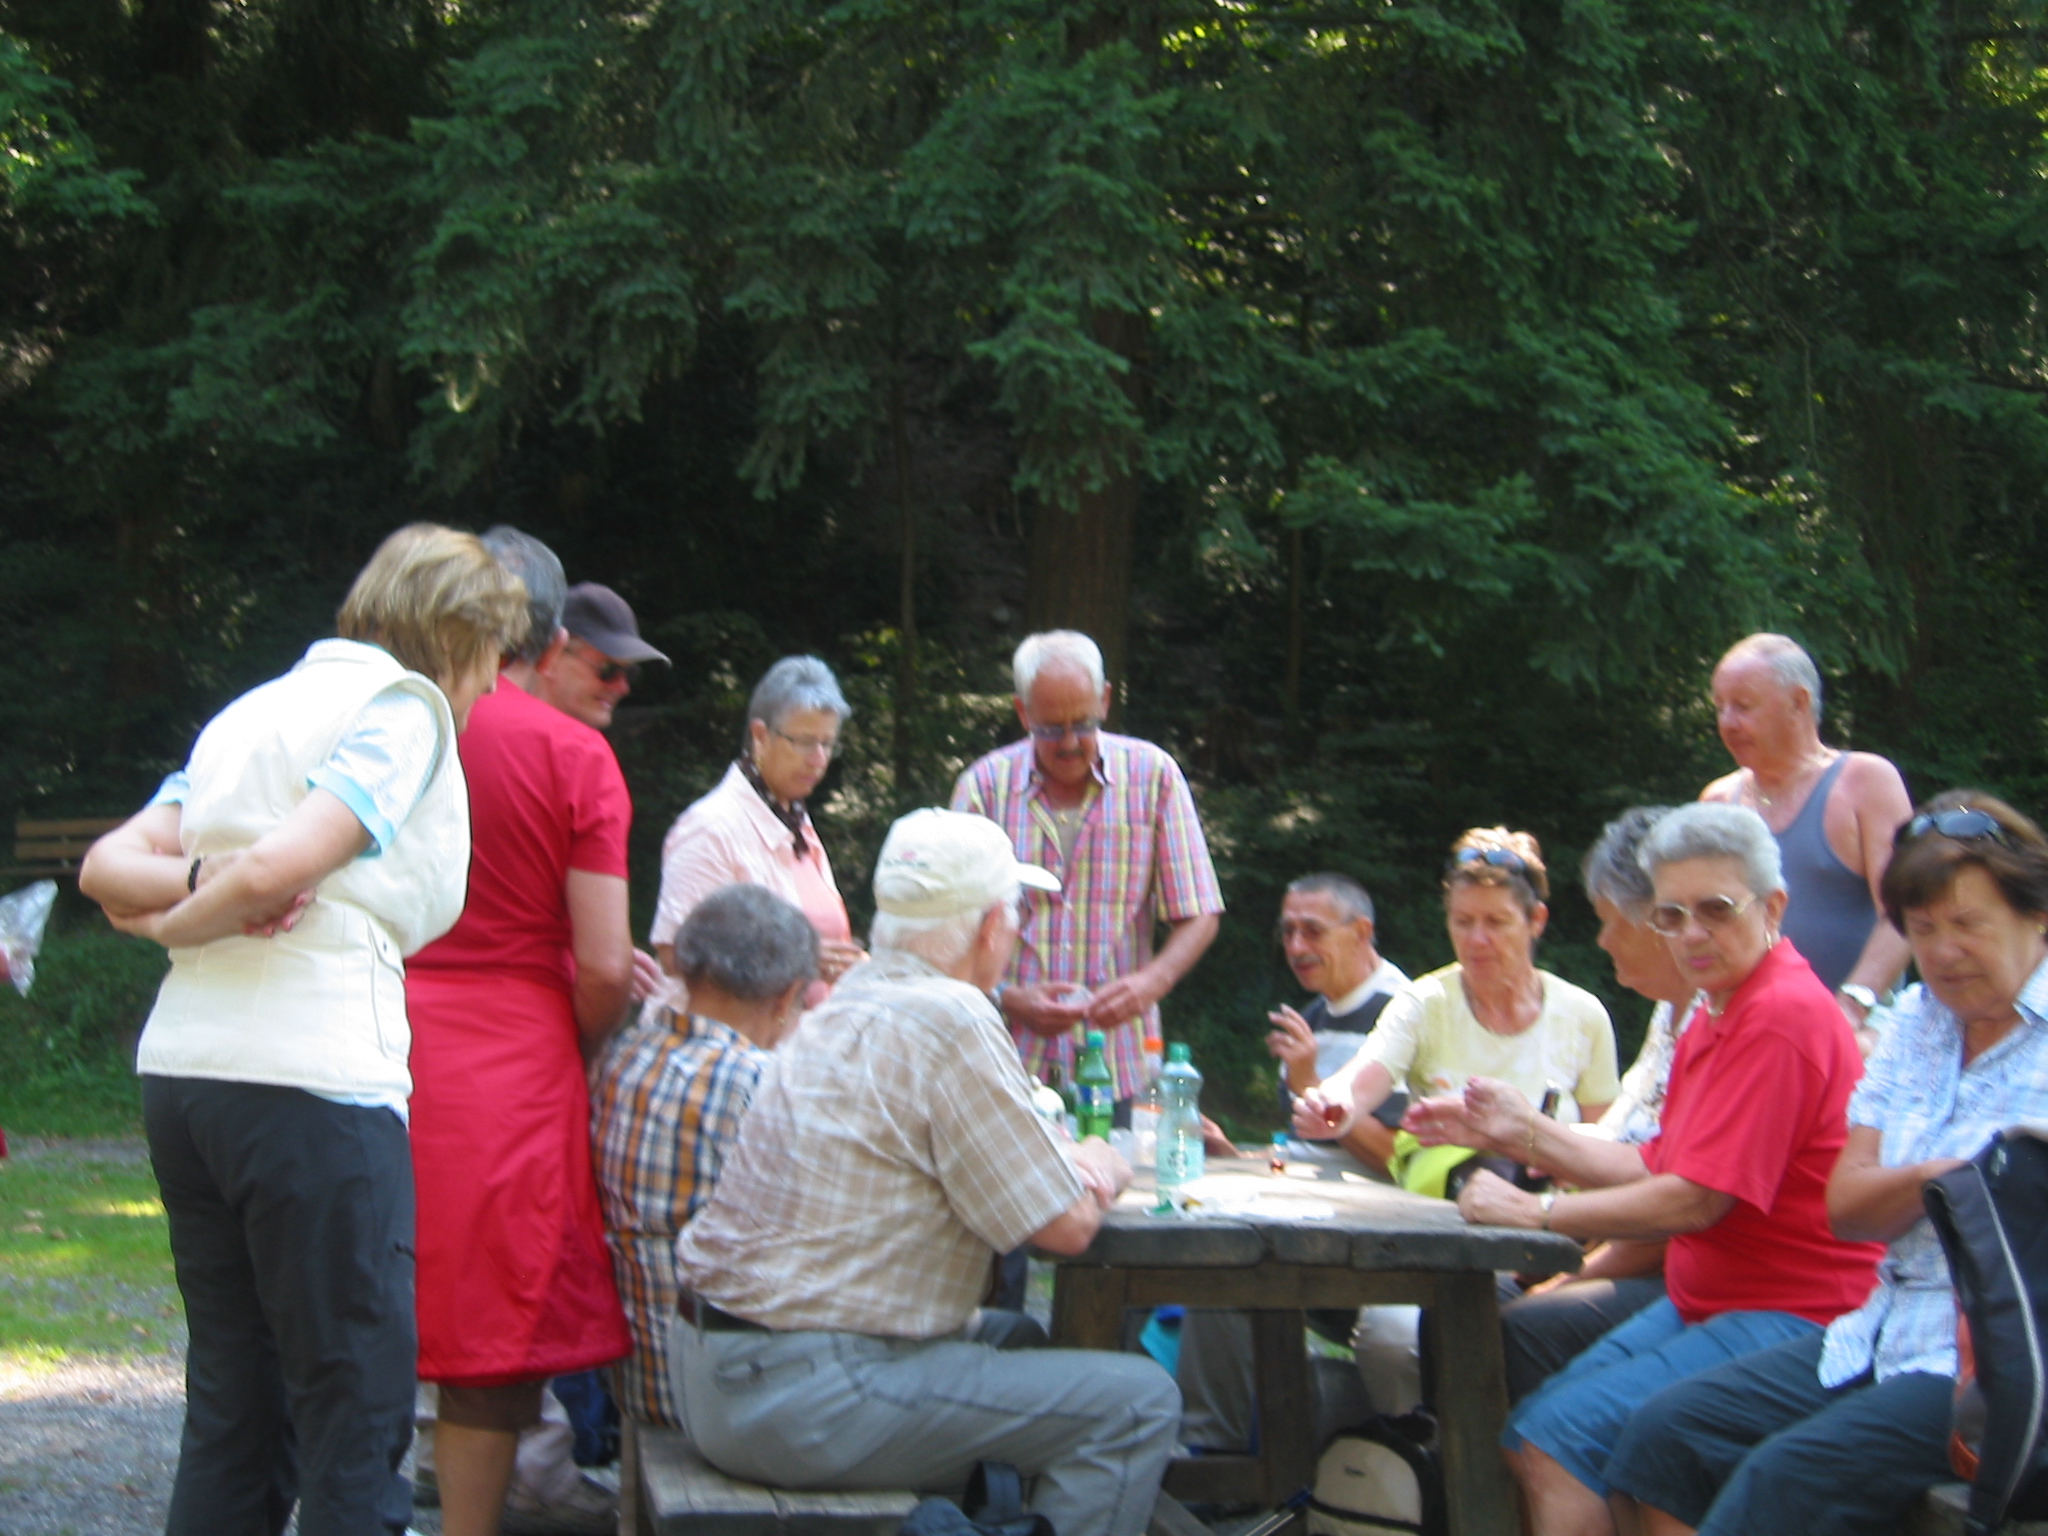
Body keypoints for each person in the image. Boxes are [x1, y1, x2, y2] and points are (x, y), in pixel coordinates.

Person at [78, 524, 526, 1536]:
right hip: (310, 1081)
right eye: (494, 655)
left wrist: (179, 902)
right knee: (354, 1410)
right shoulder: (399, 710)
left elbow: (110, 866)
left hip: (186, 1078)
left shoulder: (246, 716)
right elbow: (281, 868)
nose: (493, 687)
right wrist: (213, 903)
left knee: (236, 1405)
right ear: (455, 634)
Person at [672, 808, 1181, 1536]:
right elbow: (1065, 1228)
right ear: (987, 929)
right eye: (1016, 913)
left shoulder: (853, 999)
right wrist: (1103, 1163)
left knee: (1020, 1340)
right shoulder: (954, 1016)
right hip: (799, 1397)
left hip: (710, 1372)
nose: (1019, 932)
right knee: (1138, 1402)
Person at [1411, 803, 1883, 1536]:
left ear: (1774, 907)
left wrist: (1533, 1212)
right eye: (1671, 915)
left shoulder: (1781, 1014)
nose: (1691, 933)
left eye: (1716, 910)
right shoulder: (1716, 1010)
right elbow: (1658, 1160)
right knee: (1537, 1430)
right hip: (1713, 1301)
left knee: (1561, 1443)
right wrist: (1521, 1129)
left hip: (1798, 1315)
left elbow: (1695, 1202)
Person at [1602, 791, 2048, 1536]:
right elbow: (1846, 1207)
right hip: (1874, 1326)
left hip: (1993, 1364)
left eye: (1969, 924)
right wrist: (1949, 1176)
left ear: (2038, 917)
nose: (1941, 952)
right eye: (1924, 929)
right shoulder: (1915, 1022)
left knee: (1786, 1479)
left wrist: (1917, 1183)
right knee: (1665, 1435)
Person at [404, 531, 642, 1536]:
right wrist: (578, 1039)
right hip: (510, 1063)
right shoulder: (571, 752)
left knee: (361, 1313)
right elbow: (602, 962)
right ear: (545, 635)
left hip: (374, 1032)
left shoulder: (380, 723)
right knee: (487, 1345)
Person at [950, 629, 1224, 1105]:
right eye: (1051, 729)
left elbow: (1200, 911)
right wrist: (1008, 998)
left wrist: (1151, 983)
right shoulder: (983, 788)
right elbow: (948, 928)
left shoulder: (1153, 777)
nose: (1071, 743)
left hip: (1119, 1063)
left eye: (1083, 723)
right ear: (1023, 712)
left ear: (1105, 701)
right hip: (1001, 1063)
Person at [1489, 807, 1697, 1404]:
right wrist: (1511, 1136)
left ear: (1656, 919)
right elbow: (1627, 1145)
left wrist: (1563, 1273)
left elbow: (1677, 1203)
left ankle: (1504, 1487)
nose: (1602, 940)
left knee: (1515, 1325)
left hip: (1679, 1271)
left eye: (1610, 921)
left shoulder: (1722, 1016)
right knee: (1467, 1297)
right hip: (1621, 1247)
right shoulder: (1671, 1012)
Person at [592, 884, 819, 1431]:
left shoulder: (621, 1056)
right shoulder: (759, 1083)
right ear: (787, 997)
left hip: (630, 1372)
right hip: (727, 1392)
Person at [1295, 827, 1620, 1158]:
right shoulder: (1424, 1003)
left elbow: (1606, 1142)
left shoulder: (1584, 1015)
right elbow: (1366, 1074)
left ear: (1536, 920)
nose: (1477, 939)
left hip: (1553, 1205)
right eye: (1463, 922)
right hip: (1442, 1204)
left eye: (1496, 922)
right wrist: (1333, 1103)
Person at [1699, 633, 1913, 1030]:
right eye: (1720, 708)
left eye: (1743, 707)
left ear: (1799, 702)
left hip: (1859, 1037)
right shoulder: (1716, 803)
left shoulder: (1865, 783)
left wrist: (1852, 1006)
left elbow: (1906, 912)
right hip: (1750, 1035)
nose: (1727, 723)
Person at [649, 655, 865, 1007]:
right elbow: (676, 953)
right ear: (760, 736)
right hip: (718, 1052)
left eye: (828, 744)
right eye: (806, 741)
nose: (819, 759)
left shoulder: (794, 819)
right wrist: (798, 958)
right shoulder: (710, 828)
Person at [1266, 871, 1411, 1175]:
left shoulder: (1405, 1015)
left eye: (1312, 931)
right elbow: (1305, 1149)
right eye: (1288, 932)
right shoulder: (1310, 1018)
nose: (1295, 948)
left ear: (1361, 932)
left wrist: (1309, 1086)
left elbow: (1399, 1160)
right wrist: (1230, 1154)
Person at [534, 580, 669, 732]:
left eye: (630, 673)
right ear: (552, 655)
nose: (622, 688)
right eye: (608, 670)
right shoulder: (577, 748)